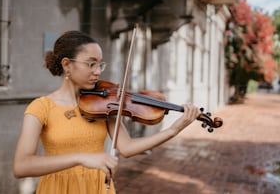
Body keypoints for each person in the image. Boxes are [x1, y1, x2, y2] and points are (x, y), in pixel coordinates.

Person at [13, 30, 201, 194]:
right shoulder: (41, 107)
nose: (97, 72)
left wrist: (173, 130)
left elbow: (127, 148)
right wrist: (81, 157)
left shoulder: (102, 104)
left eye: (100, 65)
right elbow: (21, 166)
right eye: (91, 64)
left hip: (97, 188)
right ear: (67, 64)